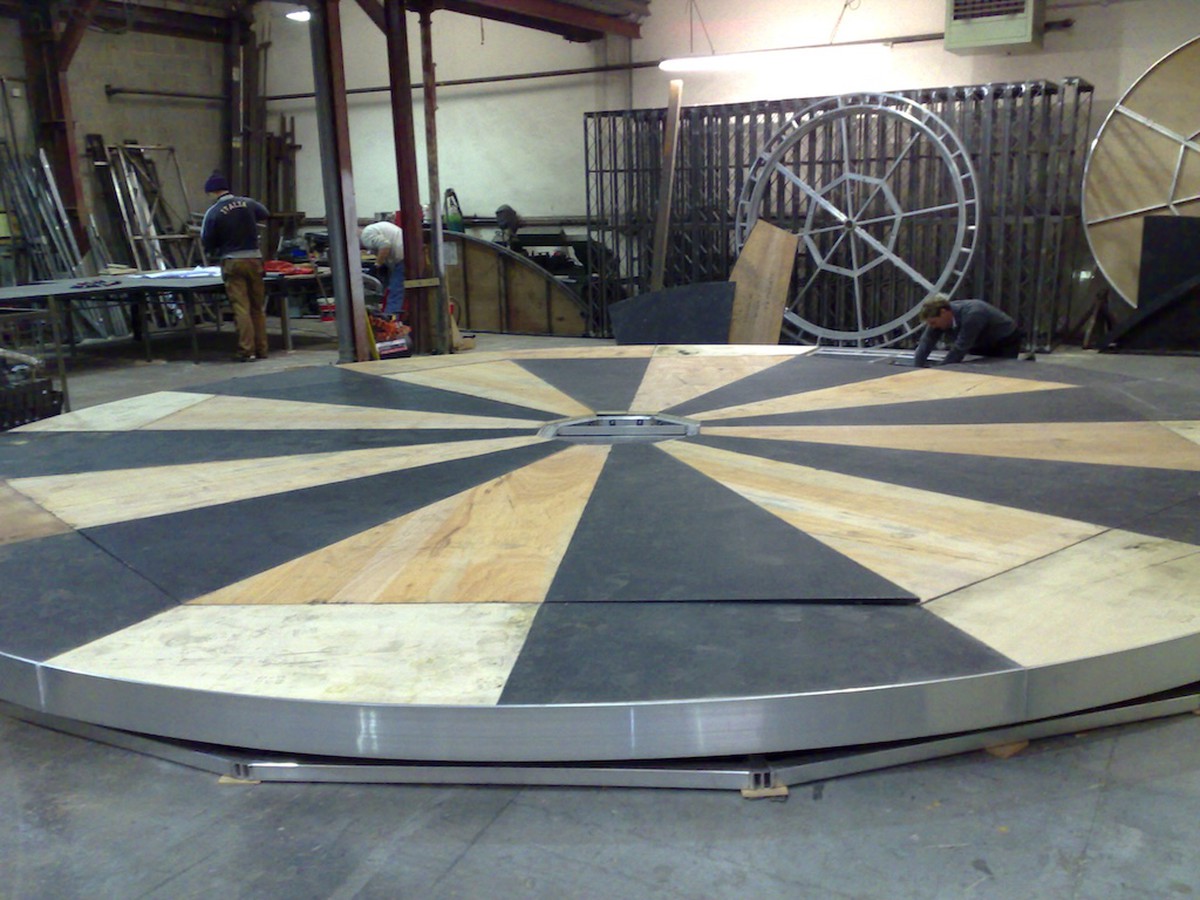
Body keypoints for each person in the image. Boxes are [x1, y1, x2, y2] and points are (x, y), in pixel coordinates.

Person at [200, 171, 270, 362]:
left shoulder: (213, 212)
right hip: (255, 260)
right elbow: (265, 214)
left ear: (212, 192)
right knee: (257, 307)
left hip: (233, 261)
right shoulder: (248, 203)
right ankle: (262, 349)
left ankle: (247, 351)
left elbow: (207, 240)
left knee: (241, 307)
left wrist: (216, 249)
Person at [912, 294, 1024, 367]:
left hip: (1004, 340)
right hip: (980, 342)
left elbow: (960, 347)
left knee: (1001, 371)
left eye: (933, 323)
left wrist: (941, 369)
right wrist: (917, 368)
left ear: (943, 312)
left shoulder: (973, 314)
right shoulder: (939, 319)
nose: (933, 327)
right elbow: (926, 342)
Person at [359, 220, 405, 316]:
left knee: (394, 292)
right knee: (392, 290)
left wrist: (377, 265)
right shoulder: (373, 229)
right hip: (402, 256)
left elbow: (385, 245)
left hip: (402, 259)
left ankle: (390, 319)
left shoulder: (365, 235)